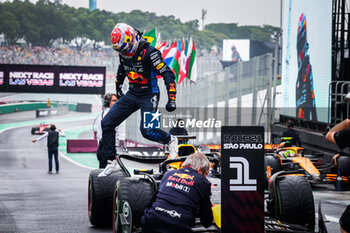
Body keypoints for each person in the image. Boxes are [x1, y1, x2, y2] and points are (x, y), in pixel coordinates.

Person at [101, 23, 178, 171]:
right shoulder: (123, 54)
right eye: (120, 50)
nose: (123, 52)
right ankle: (112, 161)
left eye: (125, 49)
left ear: (132, 39)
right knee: (107, 123)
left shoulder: (150, 53)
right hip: (133, 93)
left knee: (148, 131)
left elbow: (168, 73)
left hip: (150, 95)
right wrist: (118, 87)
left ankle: (170, 140)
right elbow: (122, 69)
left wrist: (172, 98)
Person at [141, 152, 213, 233]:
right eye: (206, 174)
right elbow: (206, 221)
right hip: (177, 227)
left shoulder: (168, 174)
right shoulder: (203, 182)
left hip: (150, 222)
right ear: (200, 170)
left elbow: (151, 202)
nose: (205, 177)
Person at [96, 93, 119, 168]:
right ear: (108, 102)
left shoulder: (103, 114)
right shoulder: (110, 115)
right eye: (114, 101)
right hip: (108, 149)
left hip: (104, 148)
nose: (117, 102)